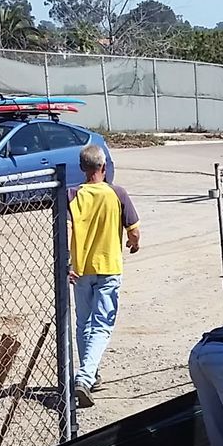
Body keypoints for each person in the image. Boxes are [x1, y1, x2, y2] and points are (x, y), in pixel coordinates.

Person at [68, 144, 138, 407]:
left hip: (81, 269)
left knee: (83, 323)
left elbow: (66, 230)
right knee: (102, 325)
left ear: (82, 168)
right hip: (108, 267)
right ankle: (84, 377)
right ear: (104, 168)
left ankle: (91, 373)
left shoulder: (72, 194)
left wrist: (67, 263)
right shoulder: (117, 193)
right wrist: (134, 243)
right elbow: (134, 230)